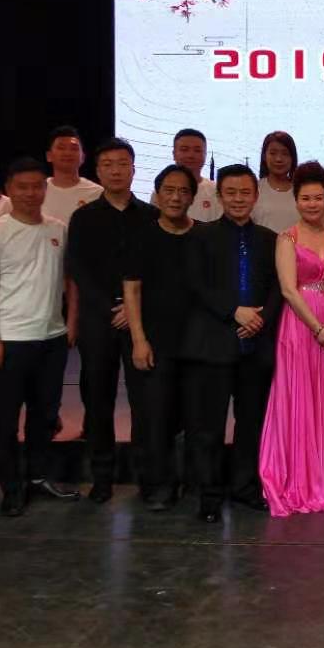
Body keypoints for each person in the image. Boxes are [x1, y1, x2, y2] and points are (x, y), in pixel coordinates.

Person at [0, 157, 80, 517]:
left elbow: (70, 280)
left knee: (44, 415)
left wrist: (71, 322)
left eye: (37, 186)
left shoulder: (58, 228)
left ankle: (38, 477)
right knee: (5, 421)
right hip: (9, 339)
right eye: (22, 187)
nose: (31, 193)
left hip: (51, 338)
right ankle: (11, 488)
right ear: (9, 189)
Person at [182, 164, 283, 522]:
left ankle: (244, 488)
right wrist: (234, 311)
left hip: (256, 347)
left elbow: (278, 287)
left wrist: (261, 318)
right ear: (219, 196)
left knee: (250, 424)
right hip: (213, 345)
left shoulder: (270, 239)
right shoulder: (201, 236)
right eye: (231, 193)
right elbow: (196, 285)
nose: (239, 199)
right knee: (209, 427)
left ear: (255, 196)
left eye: (245, 193)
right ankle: (209, 495)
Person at [65, 137, 157, 504]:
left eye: (122, 164)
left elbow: (159, 270)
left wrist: (134, 311)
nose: (116, 171)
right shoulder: (83, 217)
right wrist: (111, 309)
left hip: (141, 323)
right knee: (98, 399)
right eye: (108, 165)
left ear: (134, 169)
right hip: (98, 321)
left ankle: (146, 476)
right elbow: (78, 270)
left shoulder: (151, 216)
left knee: (144, 401)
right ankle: (101, 477)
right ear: (98, 171)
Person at [259, 162, 324, 516]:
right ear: (296, 200)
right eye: (306, 198)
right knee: (297, 396)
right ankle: (293, 475)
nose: (312, 204)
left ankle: (320, 474)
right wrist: (317, 327)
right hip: (299, 324)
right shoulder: (286, 238)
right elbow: (289, 290)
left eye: (318, 197)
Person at [123, 164, 200, 512]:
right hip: (156, 342)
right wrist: (139, 339)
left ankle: (191, 481)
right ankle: (158, 485)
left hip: (197, 342)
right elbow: (132, 290)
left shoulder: (202, 235)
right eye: (169, 190)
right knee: (156, 416)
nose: (176, 197)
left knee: (193, 416)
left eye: (183, 191)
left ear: (193, 197)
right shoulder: (142, 235)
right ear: (157, 194)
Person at [150, 128, 222, 223]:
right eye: (184, 150)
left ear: (205, 154)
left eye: (197, 150)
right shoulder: (160, 192)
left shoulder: (216, 191)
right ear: (174, 154)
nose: (190, 155)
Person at [41, 125, 103, 225]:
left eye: (74, 149)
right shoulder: (38, 190)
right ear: (49, 156)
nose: (67, 153)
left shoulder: (98, 193)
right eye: (61, 148)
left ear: (83, 157)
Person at [253, 129, 300, 232]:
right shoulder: (254, 189)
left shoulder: (301, 191)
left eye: (285, 154)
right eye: (273, 153)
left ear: (292, 158)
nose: (278, 159)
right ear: (264, 156)